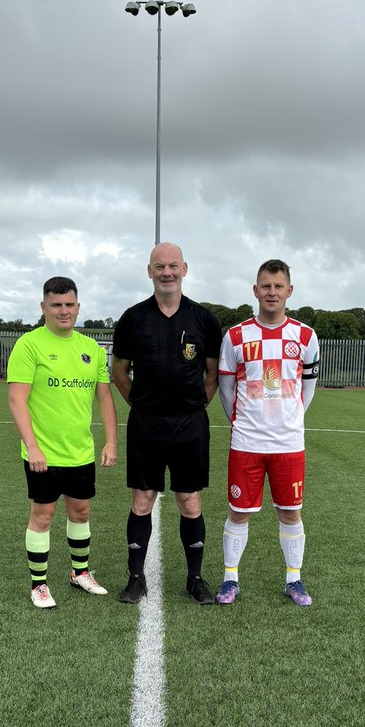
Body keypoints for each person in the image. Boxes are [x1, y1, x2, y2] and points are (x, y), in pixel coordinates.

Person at [111, 242, 223, 605]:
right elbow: (119, 372)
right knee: (142, 499)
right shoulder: (132, 318)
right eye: (159, 267)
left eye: (173, 266)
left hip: (190, 425)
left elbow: (212, 374)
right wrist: (142, 405)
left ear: (184, 269)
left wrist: (194, 405)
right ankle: (135, 577)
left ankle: (194, 579)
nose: (166, 273)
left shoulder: (204, 319)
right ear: (149, 271)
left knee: (189, 501)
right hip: (147, 424)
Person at [214, 259, 320, 607]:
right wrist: (245, 421)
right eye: (265, 286)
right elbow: (226, 391)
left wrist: (287, 419)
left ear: (289, 291)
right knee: (238, 512)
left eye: (278, 286)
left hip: (289, 443)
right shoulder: (235, 336)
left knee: (291, 512)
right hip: (247, 441)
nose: (271, 292)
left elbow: (308, 390)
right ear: (255, 291)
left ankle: (294, 580)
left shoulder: (305, 336)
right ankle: (231, 579)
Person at [7, 276, 117, 608]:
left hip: (80, 451)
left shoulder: (91, 349)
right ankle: (39, 584)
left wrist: (111, 441)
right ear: (43, 307)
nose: (63, 311)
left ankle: (79, 573)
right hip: (43, 454)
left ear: (78, 307)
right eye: (56, 305)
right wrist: (33, 446)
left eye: (69, 304)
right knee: (42, 514)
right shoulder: (29, 345)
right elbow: (16, 400)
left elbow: (105, 399)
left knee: (81, 511)